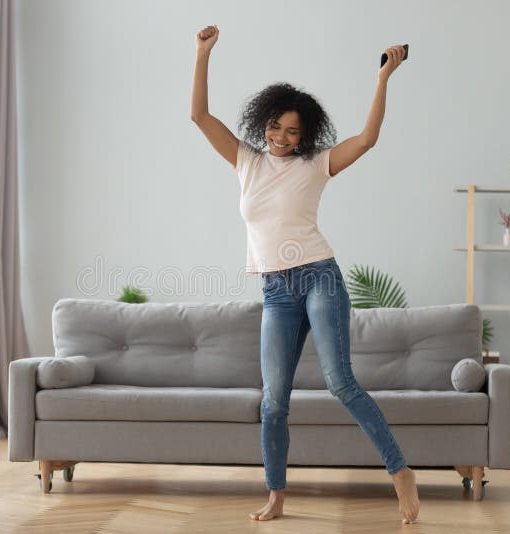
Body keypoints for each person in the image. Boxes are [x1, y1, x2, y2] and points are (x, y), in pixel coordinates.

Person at [190, 24, 419, 525]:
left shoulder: (316, 165)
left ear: (306, 134)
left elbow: (368, 139)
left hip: (319, 278)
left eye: (292, 131)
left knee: (341, 383)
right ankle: (276, 495)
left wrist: (384, 78)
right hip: (275, 291)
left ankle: (401, 473)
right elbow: (200, 116)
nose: (281, 137)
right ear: (263, 123)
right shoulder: (246, 163)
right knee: (273, 404)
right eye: (275, 127)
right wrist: (203, 54)